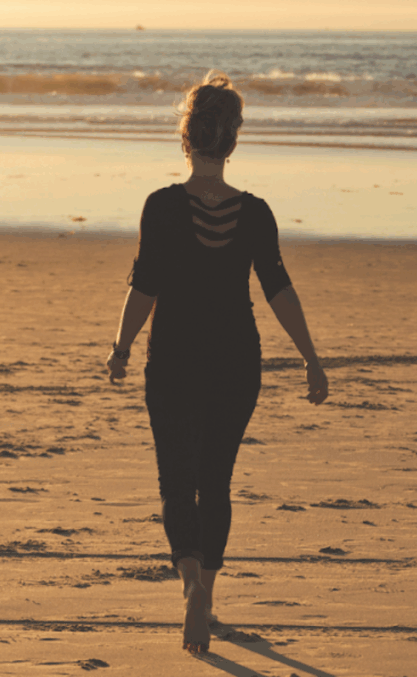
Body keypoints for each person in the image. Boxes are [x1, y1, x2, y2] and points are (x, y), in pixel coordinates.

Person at [105, 69, 329, 655]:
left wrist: (121, 348)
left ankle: (189, 585)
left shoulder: (160, 207)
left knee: (176, 483)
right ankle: (206, 590)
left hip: (173, 361)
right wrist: (310, 358)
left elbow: (145, 287)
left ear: (186, 137)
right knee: (217, 481)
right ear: (232, 141)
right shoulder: (256, 213)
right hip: (236, 362)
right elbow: (279, 289)